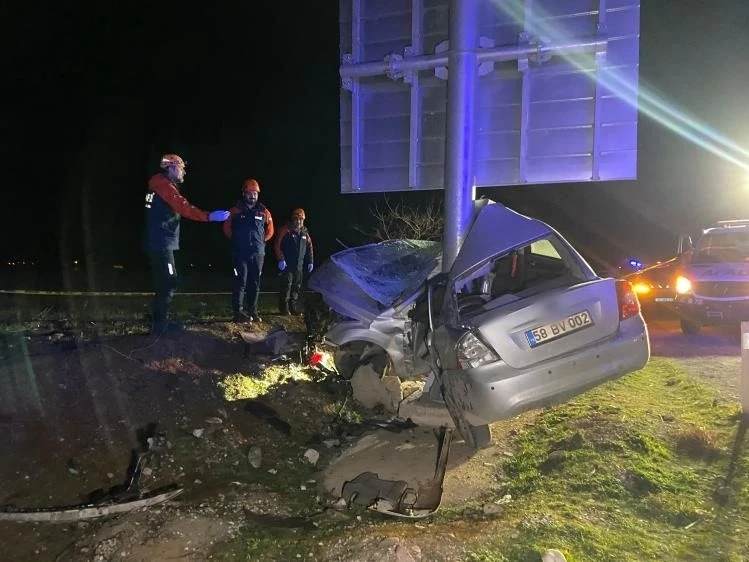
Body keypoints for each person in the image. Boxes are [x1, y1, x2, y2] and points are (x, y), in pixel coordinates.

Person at [144, 153, 230, 335]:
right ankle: (160, 326)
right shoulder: (164, 187)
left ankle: (159, 322)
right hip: (162, 243)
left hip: (159, 241)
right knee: (169, 282)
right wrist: (209, 216)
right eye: (181, 167)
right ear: (171, 167)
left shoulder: (159, 186)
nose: (184, 172)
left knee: (164, 282)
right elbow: (184, 207)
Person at [223, 179, 274, 322]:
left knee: (255, 282)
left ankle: (253, 311)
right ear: (244, 194)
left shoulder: (264, 211)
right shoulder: (234, 211)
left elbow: (270, 230)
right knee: (240, 281)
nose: (252, 196)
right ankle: (238, 312)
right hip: (240, 253)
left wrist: (262, 241)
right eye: (250, 193)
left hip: (258, 254)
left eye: (255, 193)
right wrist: (236, 241)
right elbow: (226, 228)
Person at [274, 208, 314, 315]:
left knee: (297, 285)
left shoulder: (304, 232)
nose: (299, 221)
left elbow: (310, 247)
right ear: (293, 219)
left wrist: (310, 261)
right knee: (286, 285)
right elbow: (277, 244)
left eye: (301, 219)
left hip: (299, 265)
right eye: (296, 219)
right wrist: (281, 259)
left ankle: (293, 306)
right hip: (287, 264)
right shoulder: (285, 230)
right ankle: (284, 307)